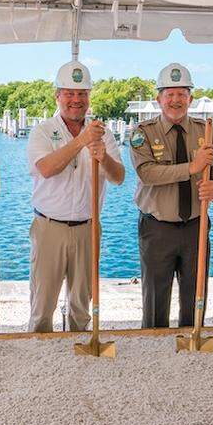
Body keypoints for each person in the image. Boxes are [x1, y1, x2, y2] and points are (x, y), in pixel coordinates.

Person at [130, 62, 213, 329]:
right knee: (155, 300)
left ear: (190, 98)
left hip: (196, 228)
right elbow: (148, 174)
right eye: (170, 94)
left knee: (196, 297)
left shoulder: (208, 132)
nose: (175, 100)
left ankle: (193, 349)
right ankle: (155, 351)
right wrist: (192, 167)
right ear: (159, 99)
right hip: (157, 229)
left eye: (181, 94)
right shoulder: (143, 133)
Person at [26, 61, 125, 332]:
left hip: (88, 227)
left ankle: (80, 360)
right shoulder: (42, 131)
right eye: (69, 93)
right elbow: (45, 168)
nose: (76, 100)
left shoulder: (103, 134)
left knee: (82, 306)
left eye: (82, 94)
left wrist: (103, 157)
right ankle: (40, 357)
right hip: (49, 228)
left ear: (89, 97)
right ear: (57, 96)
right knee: (42, 305)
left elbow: (118, 177)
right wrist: (80, 142)